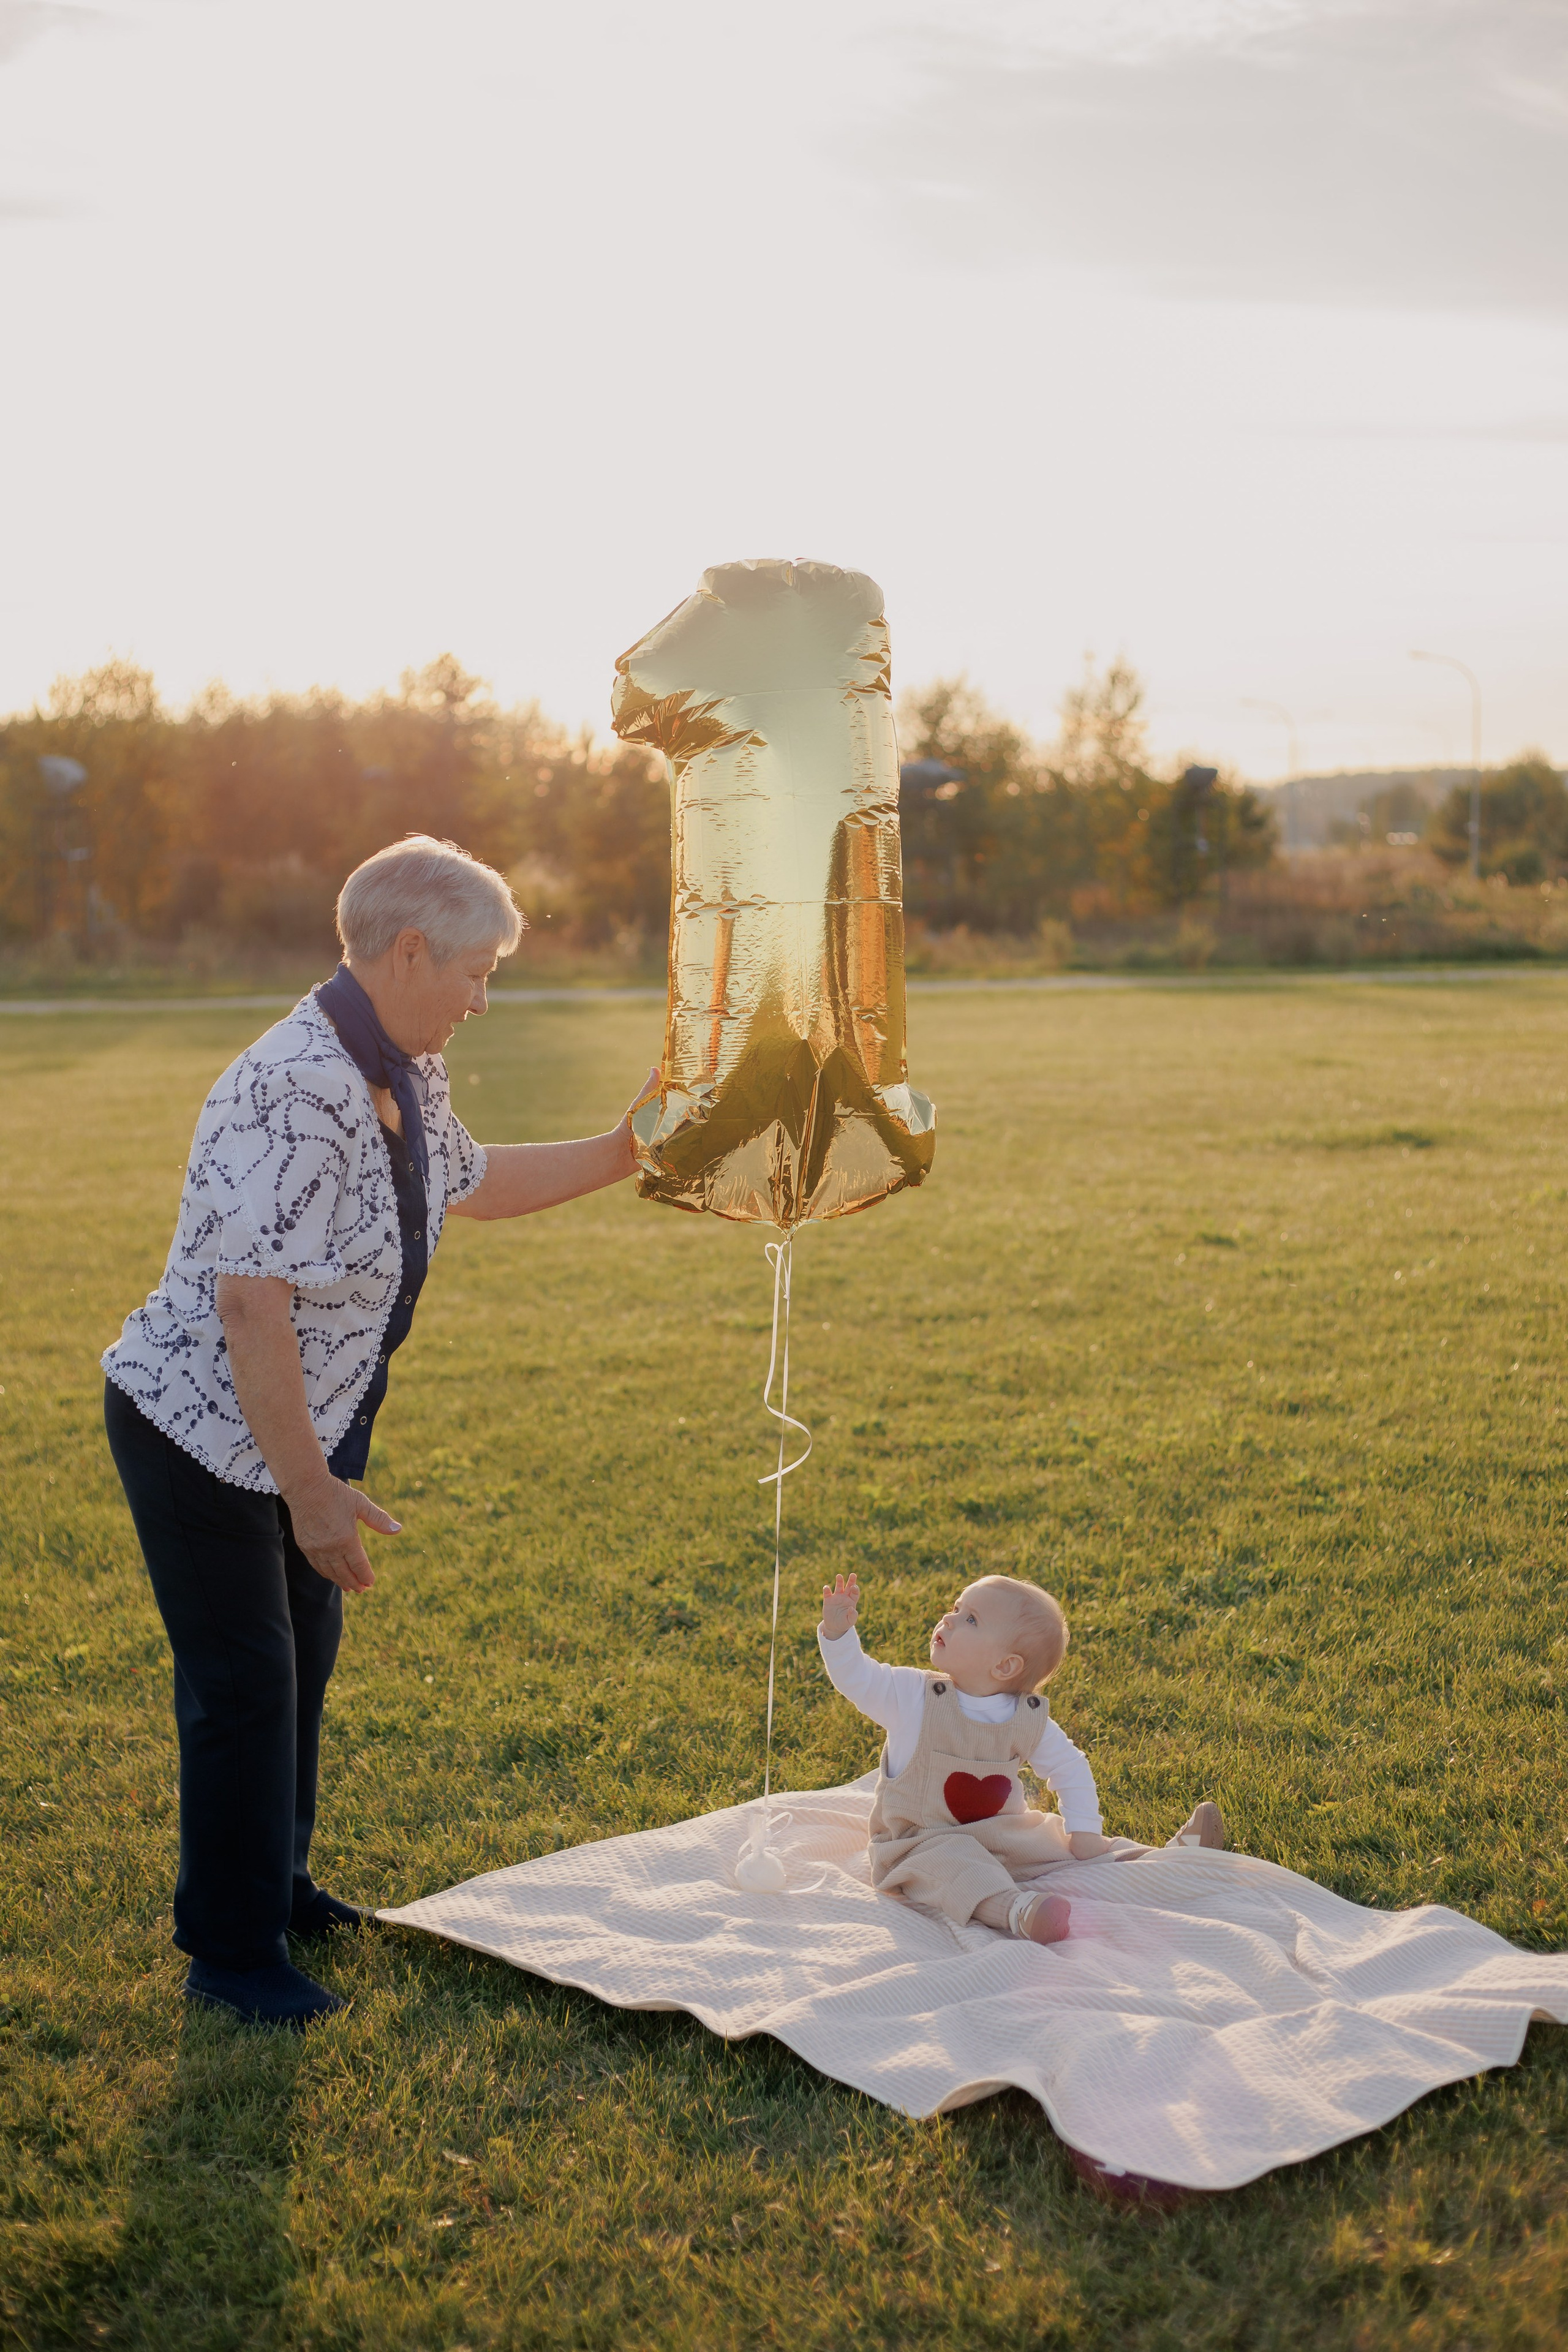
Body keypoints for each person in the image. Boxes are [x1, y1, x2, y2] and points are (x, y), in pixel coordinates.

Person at [102, 834, 655, 2028]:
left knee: (301, 1662)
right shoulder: (294, 1084)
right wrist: (308, 1493)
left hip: (289, 1429)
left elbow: (471, 1180)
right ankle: (232, 1955)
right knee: (246, 1682)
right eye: (476, 972)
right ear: (410, 951)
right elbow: (252, 1306)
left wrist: (625, 1152)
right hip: (200, 1428)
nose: (481, 998)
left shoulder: (398, 1063)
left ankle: (280, 1890)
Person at [817, 1571, 1224, 1945]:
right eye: (957, 1609)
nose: (949, 1617)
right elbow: (860, 1679)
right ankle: (1019, 1912)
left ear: (1006, 1665)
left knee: (1062, 1845)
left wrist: (1085, 1832)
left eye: (971, 1619)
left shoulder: (1026, 1717)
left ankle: (1170, 1862)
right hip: (920, 1843)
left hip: (1004, 1833)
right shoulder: (911, 1696)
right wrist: (838, 1633)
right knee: (955, 1869)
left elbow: (1069, 1766)